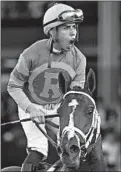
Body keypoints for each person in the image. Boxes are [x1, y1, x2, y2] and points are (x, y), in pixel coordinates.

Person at [7, 3, 86, 171]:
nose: (73, 32)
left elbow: (74, 96)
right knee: (38, 150)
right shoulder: (31, 53)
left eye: (74, 27)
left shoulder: (79, 59)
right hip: (32, 105)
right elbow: (13, 86)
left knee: (74, 148)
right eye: (66, 28)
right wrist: (31, 109)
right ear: (52, 31)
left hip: (59, 108)